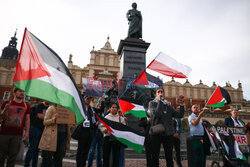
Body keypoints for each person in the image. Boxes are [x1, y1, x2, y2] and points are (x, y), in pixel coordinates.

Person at [149, 88, 184, 167]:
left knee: (169, 156)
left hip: (168, 134)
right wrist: (160, 102)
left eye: (162, 92)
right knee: (155, 155)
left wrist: (181, 103)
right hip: (156, 133)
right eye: (159, 92)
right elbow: (157, 114)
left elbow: (179, 115)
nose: (160, 93)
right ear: (156, 94)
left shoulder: (168, 106)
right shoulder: (152, 103)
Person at [0, 88, 31, 167]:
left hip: (17, 135)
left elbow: (27, 120)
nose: (22, 93)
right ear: (14, 93)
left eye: (23, 92)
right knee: (1, 156)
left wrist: (27, 132)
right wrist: (5, 109)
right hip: (4, 134)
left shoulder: (26, 106)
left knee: (13, 157)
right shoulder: (6, 103)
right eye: (20, 91)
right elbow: (1, 117)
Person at [24, 101, 50, 167]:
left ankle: (34, 165)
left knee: (37, 149)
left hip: (41, 129)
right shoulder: (40, 105)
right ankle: (26, 164)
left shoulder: (49, 108)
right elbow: (40, 115)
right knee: (32, 147)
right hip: (35, 128)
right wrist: (50, 118)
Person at [100, 102, 126, 167]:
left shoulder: (120, 118)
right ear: (110, 108)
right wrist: (108, 129)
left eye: (116, 107)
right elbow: (102, 127)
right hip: (108, 137)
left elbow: (124, 127)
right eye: (113, 107)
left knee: (116, 156)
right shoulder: (107, 117)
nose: (115, 109)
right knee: (106, 155)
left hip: (116, 139)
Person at [76, 95, 97, 167]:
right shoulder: (80, 107)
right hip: (82, 131)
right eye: (87, 98)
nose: (88, 100)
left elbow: (93, 119)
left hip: (89, 132)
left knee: (86, 150)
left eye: (90, 99)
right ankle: (79, 165)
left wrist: (95, 123)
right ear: (84, 99)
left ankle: (83, 164)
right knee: (80, 150)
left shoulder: (91, 109)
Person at [87, 96, 105, 167]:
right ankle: (89, 164)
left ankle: (99, 164)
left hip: (100, 132)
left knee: (99, 150)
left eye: (99, 106)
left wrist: (103, 101)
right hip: (94, 132)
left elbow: (102, 109)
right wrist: (95, 124)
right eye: (97, 105)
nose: (98, 107)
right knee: (92, 150)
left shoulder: (102, 113)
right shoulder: (92, 110)